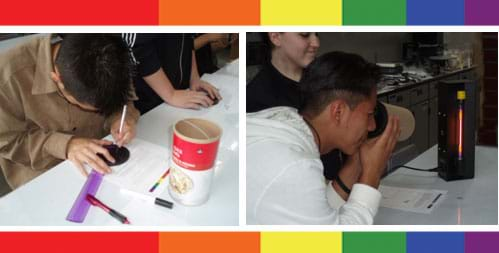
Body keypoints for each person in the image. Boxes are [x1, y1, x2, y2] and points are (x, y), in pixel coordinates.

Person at [246, 51, 401, 224]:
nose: (372, 125)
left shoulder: (285, 120)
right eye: (369, 114)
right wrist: (372, 173)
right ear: (338, 112)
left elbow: (314, 213)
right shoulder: (295, 165)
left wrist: (356, 163)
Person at [0, 34, 140, 190]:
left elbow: (123, 101)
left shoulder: (112, 58)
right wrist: (66, 145)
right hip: (41, 174)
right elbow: (7, 141)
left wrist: (122, 117)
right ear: (57, 79)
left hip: (105, 164)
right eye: (81, 105)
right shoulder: (7, 75)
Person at [246, 32, 343, 182]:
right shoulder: (258, 98)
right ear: (276, 36)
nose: (316, 43)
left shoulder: (327, 76)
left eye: (317, 34)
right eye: (304, 34)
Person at [122, 33, 222, 114]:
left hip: (179, 91)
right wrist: (170, 94)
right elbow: (136, 46)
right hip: (151, 98)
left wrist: (194, 79)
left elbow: (188, 38)